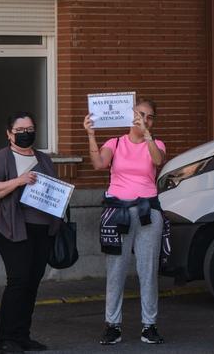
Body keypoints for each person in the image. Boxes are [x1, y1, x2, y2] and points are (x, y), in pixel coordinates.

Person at [86, 99, 167, 346]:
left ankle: (149, 325)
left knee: (148, 270)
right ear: (130, 115)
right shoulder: (116, 142)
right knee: (116, 270)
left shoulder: (157, 143)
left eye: (150, 116)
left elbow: (158, 160)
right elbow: (99, 164)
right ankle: (113, 325)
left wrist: (149, 135)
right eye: (140, 114)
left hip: (147, 210)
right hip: (118, 210)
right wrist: (91, 135)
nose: (144, 119)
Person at [0, 111, 62, 354]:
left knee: (32, 283)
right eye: (20, 131)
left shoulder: (44, 158)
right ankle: (6, 339)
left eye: (30, 129)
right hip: (12, 229)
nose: (26, 134)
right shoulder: (2, 158)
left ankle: (23, 336)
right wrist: (19, 181)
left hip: (42, 229)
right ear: (9, 134)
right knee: (18, 281)